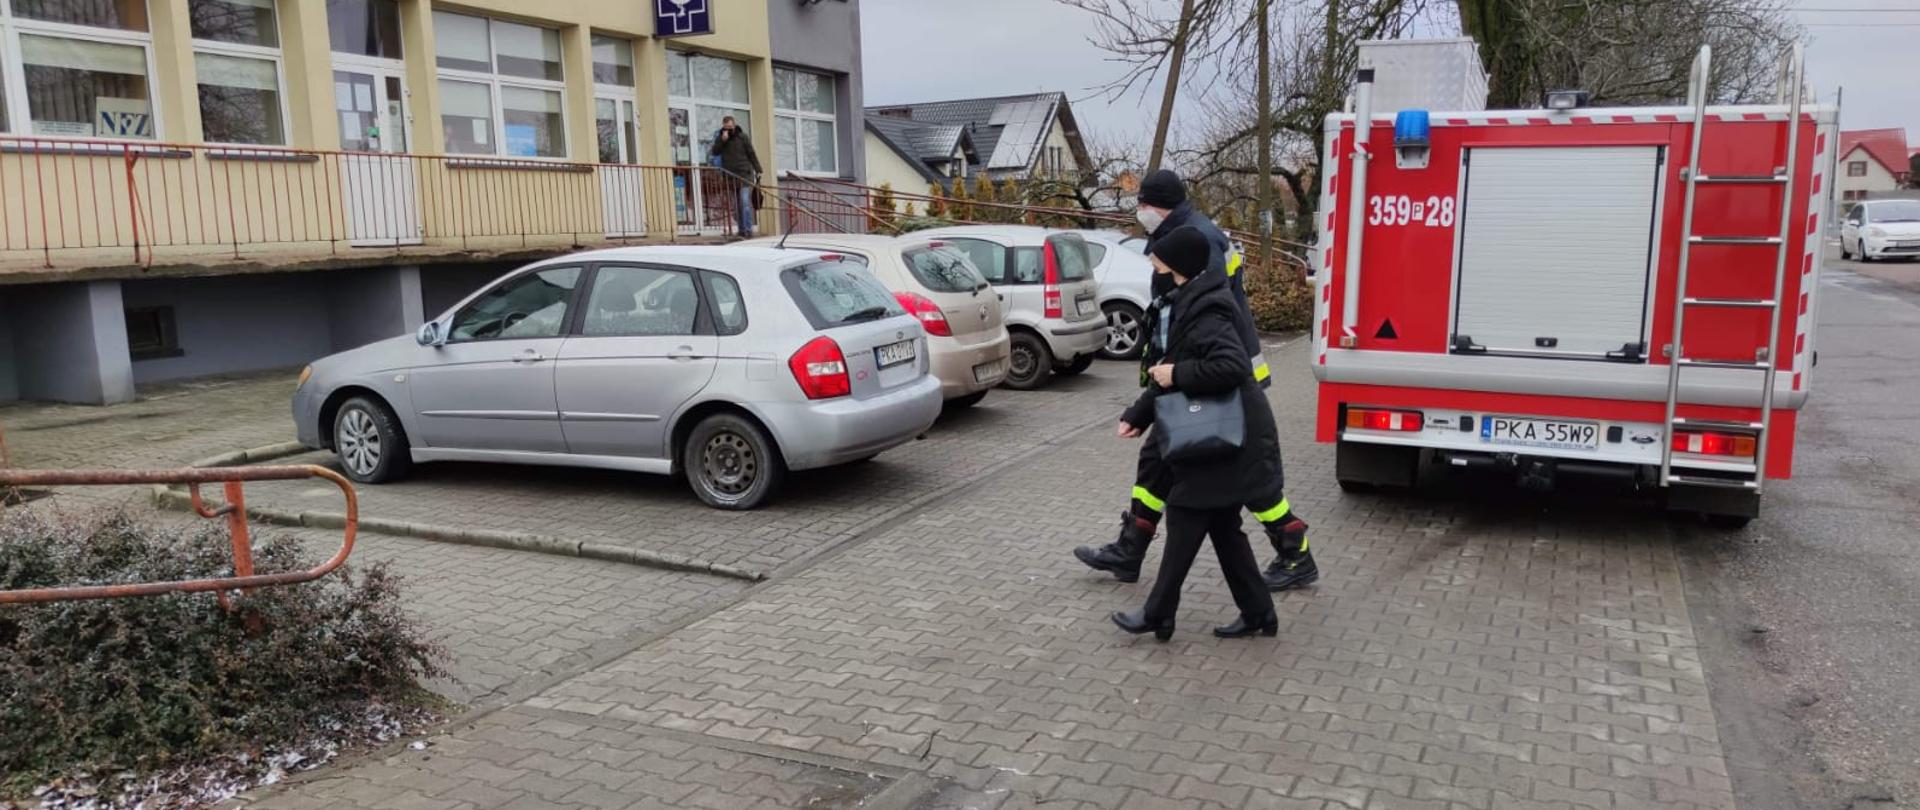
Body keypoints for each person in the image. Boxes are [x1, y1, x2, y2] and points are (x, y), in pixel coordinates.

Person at [1073, 169, 1318, 592]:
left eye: (1143, 203)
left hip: (1221, 384)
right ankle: (1130, 549)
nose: (1140, 211)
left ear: (1156, 204)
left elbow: (1205, 335)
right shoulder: (1184, 234)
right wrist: (1150, 399)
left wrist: (1168, 380)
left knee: (1252, 484)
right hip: (1193, 376)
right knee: (1157, 462)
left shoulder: (1198, 247)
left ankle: (1296, 554)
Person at [1111, 225, 1280, 642]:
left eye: (1160, 260)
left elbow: (1230, 367)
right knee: (1223, 528)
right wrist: (1139, 413)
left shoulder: (1207, 309)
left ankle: (1158, 613)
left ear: (1180, 265)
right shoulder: (1190, 300)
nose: (1155, 266)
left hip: (1227, 437)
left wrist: (1177, 373)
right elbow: (1169, 365)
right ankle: (1259, 613)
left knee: (1186, 513)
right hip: (1226, 438)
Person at [707, 115, 762, 237]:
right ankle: (742, 230)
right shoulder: (720, 137)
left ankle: (748, 230)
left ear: (734, 125)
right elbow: (715, 152)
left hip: (744, 174)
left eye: (730, 127)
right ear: (723, 127)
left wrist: (758, 169)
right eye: (726, 127)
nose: (728, 130)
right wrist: (722, 140)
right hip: (731, 176)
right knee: (737, 205)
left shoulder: (742, 137)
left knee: (744, 202)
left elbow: (751, 153)